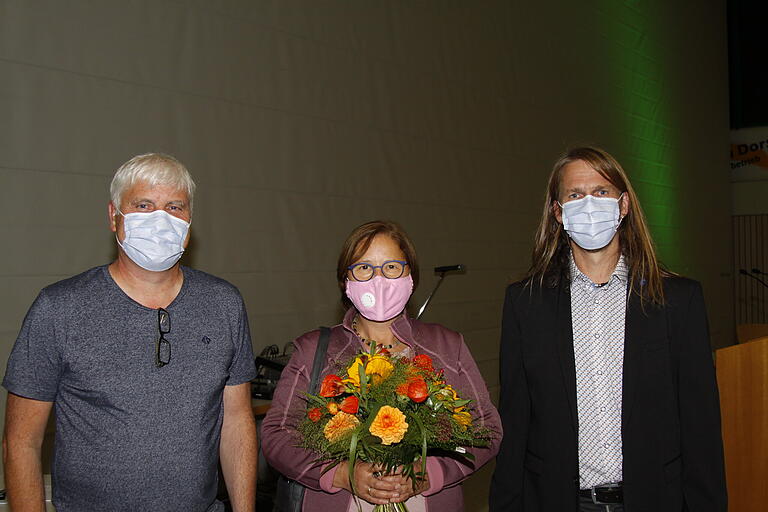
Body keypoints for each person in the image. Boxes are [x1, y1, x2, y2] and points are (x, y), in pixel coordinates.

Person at [2, 153, 258, 512]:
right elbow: (21, 442)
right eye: (143, 205)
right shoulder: (59, 308)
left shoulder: (224, 303)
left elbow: (236, 421)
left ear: (190, 221)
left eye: (174, 207)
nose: (160, 220)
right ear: (113, 216)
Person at [489, 147, 727, 512]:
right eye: (574, 194)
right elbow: (515, 420)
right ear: (557, 211)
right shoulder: (526, 304)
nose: (589, 204)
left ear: (624, 205)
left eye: (601, 192)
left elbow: (701, 428)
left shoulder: (678, 301)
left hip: (655, 499)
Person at [261, 220, 501, 511]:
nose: (379, 279)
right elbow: (276, 434)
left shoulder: (446, 346)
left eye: (391, 267)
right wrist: (340, 474)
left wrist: (428, 474)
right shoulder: (314, 350)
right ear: (344, 281)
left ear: (410, 275)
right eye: (363, 268)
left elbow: (487, 430)